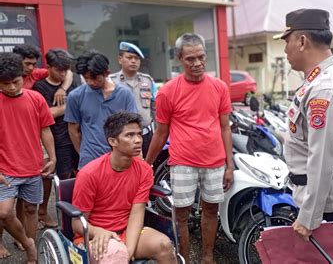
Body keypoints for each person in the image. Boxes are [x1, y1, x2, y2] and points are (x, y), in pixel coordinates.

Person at [274, 9, 333, 262]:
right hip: (322, 197)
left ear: (302, 41)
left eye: (286, 41)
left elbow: (321, 158)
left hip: (327, 204)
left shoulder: (325, 88)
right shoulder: (316, 80)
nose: (285, 50)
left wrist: (309, 217)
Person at [145, 33, 233, 264]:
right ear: (179, 59)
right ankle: (184, 258)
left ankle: (207, 256)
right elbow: (161, 132)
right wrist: (146, 165)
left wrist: (229, 165)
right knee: (181, 214)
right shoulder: (167, 91)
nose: (197, 63)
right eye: (190, 59)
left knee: (211, 210)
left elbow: (225, 128)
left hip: (214, 162)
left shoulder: (219, 87)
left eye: (201, 57)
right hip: (182, 161)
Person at [72, 111, 177, 263]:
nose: (138, 140)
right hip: (95, 235)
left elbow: (137, 212)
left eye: (139, 134)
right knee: (115, 254)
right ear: (113, 141)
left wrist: (128, 251)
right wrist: (99, 232)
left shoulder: (144, 169)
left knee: (164, 245)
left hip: (127, 231)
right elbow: (76, 223)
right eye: (129, 135)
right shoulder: (89, 174)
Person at [0, 52, 56, 263]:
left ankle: (31, 253)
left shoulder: (36, 98)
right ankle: (26, 242)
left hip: (33, 166)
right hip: (4, 169)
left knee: (31, 209)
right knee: (4, 213)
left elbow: (45, 130)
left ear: (22, 77)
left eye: (15, 82)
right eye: (5, 84)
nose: (12, 87)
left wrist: (52, 157)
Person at [64, 50, 138, 170]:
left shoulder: (125, 95)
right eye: (86, 78)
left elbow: (133, 129)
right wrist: (83, 153)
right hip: (90, 161)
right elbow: (73, 131)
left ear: (106, 73)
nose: (90, 82)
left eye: (94, 78)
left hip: (121, 160)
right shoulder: (75, 96)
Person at [33, 48, 80, 230]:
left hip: (75, 135)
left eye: (64, 70)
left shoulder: (70, 83)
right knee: (59, 178)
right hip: (56, 138)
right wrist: (69, 106)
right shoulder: (40, 87)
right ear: (48, 67)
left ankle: (75, 210)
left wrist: (64, 89)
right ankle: (51, 213)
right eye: (58, 70)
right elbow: (46, 115)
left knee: (79, 174)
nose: (62, 73)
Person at [110, 42, 155, 158]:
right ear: (120, 59)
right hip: (122, 137)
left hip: (146, 135)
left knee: (147, 168)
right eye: (129, 57)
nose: (134, 61)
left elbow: (155, 109)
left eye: (136, 58)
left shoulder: (148, 80)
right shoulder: (112, 82)